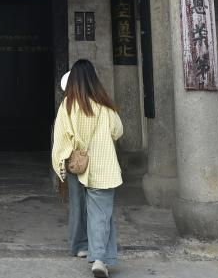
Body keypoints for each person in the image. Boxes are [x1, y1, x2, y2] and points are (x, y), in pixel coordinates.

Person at [51, 59, 123, 278]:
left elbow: (61, 138)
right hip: (103, 165)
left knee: (78, 207)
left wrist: (62, 162)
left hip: (77, 166)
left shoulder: (67, 105)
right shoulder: (104, 105)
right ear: (94, 79)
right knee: (101, 213)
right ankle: (99, 259)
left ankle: (81, 246)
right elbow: (117, 131)